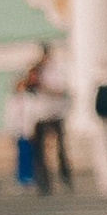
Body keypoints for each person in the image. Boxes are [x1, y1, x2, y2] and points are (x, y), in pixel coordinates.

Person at [29, 48, 70, 194]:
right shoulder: (35, 70)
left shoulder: (57, 70)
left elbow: (60, 90)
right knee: (40, 151)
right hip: (41, 115)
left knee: (60, 148)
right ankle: (44, 183)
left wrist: (47, 88)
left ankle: (65, 177)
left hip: (55, 114)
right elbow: (29, 87)